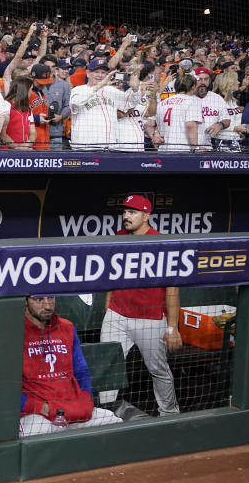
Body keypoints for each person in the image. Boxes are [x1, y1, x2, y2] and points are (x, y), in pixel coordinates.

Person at [101, 194, 181, 416]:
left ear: (146, 216)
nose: (126, 216)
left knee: (158, 370)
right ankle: (104, 413)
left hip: (150, 318)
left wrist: (172, 327)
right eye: (124, 212)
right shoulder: (118, 237)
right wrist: (109, 302)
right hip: (117, 316)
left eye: (132, 212)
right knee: (107, 365)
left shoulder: (161, 242)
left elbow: (172, 288)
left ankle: (170, 413)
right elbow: (112, 275)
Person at [19, 295, 123, 437]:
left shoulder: (67, 327)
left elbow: (81, 370)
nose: (47, 306)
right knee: (36, 435)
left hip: (71, 408)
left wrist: (85, 398)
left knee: (113, 422)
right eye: (39, 300)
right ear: (25, 301)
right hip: (38, 414)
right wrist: (39, 407)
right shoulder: (14, 333)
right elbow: (2, 386)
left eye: (51, 298)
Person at [69, 58, 137, 150]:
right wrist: (100, 86)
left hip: (109, 147)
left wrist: (135, 90)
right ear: (88, 73)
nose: (100, 75)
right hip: (85, 147)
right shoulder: (78, 90)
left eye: (103, 72)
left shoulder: (111, 91)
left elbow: (129, 104)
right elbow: (76, 103)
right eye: (96, 72)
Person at [152, 73, 202, 152]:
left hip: (163, 149)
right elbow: (191, 126)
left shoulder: (162, 103)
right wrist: (195, 148)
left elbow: (155, 124)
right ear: (193, 87)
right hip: (183, 149)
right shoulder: (192, 101)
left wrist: (155, 133)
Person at [194, 67, 231, 151]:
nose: (203, 82)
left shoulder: (216, 98)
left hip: (208, 147)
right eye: (199, 79)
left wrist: (220, 124)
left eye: (206, 79)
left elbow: (227, 120)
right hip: (187, 146)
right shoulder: (187, 97)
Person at [0, 76, 36, 149]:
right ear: (24, 91)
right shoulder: (6, 105)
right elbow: (2, 134)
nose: (31, 92)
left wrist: (29, 143)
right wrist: (17, 147)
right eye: (31, 89)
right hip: (7, 152)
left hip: (24, 151)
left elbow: (33, 131)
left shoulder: (28, 109)